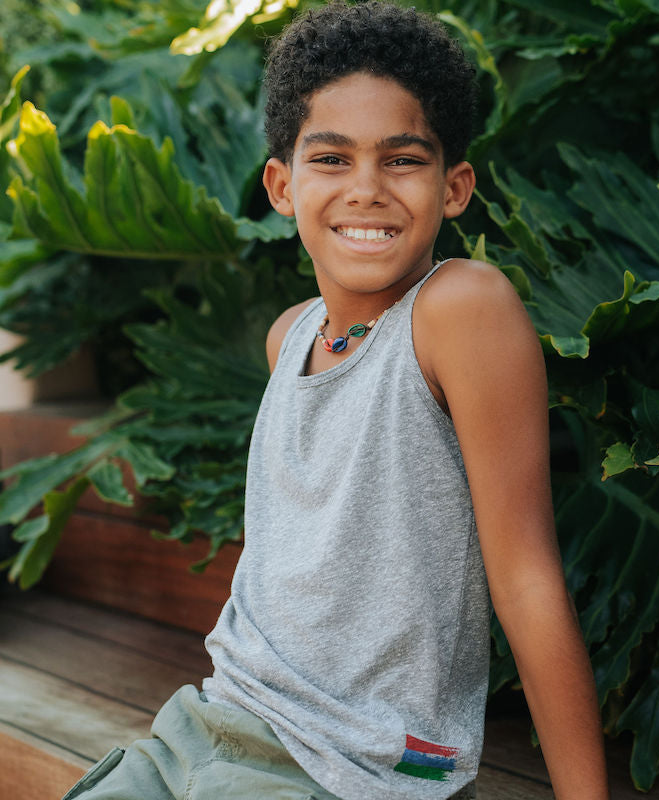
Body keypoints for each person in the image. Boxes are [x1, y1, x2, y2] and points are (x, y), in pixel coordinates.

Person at [62, 2, 609, 799]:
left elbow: (525, 579)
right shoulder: (289, 339)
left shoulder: (460, 310)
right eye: (331, 158)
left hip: (358, 762)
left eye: (400, 160)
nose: (365, 190)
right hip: (211, 724)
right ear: (282, 185)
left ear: (453, 186)